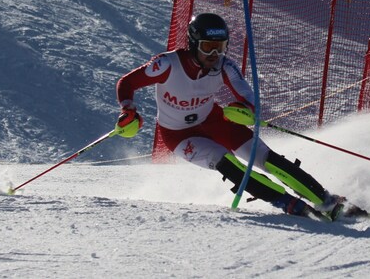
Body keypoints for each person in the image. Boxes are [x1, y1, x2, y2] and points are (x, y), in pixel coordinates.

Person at [114, 13, 344, 219]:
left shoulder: (225, 66)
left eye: (220, 47)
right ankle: (288, 203)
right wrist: (128, 109)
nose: (214, 54)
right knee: (227, 162)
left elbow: (247, 95)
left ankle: (326, 201)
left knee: (265, 157)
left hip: (215, 121)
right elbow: (127, 82)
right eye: (207, 47)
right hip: (178, 135)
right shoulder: (166, 64)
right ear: (194, 44)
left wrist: (246, 109)